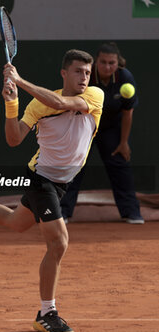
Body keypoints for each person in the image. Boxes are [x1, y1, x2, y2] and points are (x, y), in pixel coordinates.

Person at [0, 49, 104, 332]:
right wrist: (12, 104)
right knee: (59, 242)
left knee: (16, 222)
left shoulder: (93, 96)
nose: (84, 78)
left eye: (87, 72)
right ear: (64, 73)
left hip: (62, 183)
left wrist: (20, 81)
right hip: (42, 179)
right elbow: (14, 139)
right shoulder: (38, 107)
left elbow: (61, 102)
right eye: (78, 71)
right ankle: (46, 312)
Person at [61, 42, 144, 224]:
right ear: (96, 62)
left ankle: (131, 213)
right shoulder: (86, 77)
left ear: (118, 63)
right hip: (85, 125)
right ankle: (62, 212)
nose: (107, 67)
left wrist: (123, 142)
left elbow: (127, 113)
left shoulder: (125, 78)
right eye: (103, 62)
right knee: (74, 166)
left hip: (111, 129)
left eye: (111, 63)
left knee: (120, 166)